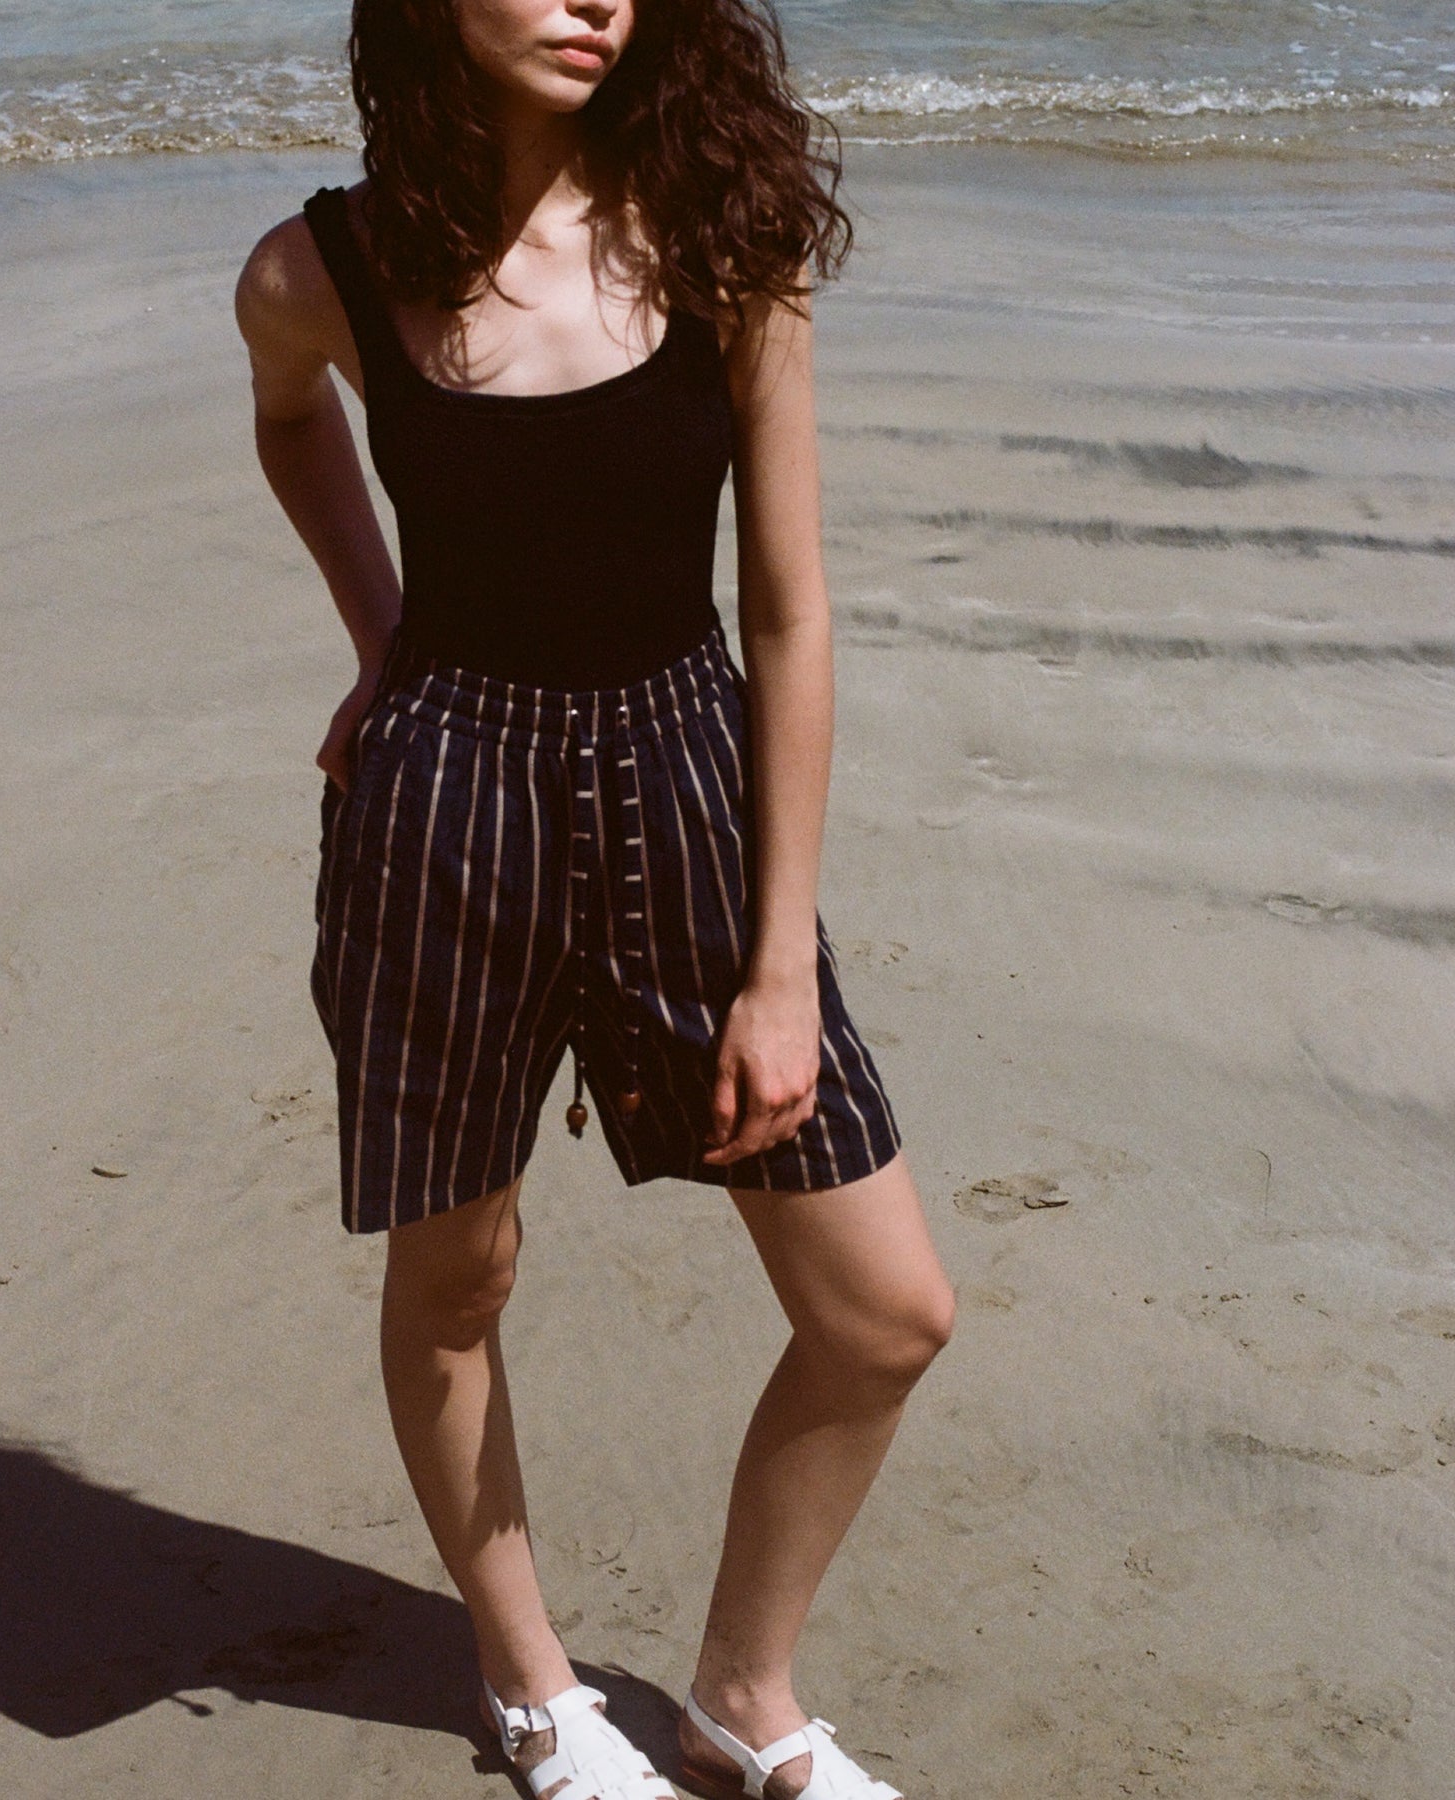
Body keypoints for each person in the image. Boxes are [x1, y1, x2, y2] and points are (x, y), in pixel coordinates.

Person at [233, 0, 956, 1790]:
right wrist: (383, 634)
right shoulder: (313, 269)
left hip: (691, 787)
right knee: (459, 1277)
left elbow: (787, 610)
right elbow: (290, 419)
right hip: (444, 808)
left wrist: (779, 964)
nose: (594, 1)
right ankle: (537, 1684)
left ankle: (741, 1694)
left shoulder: (728, 236)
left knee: (883, 1309)